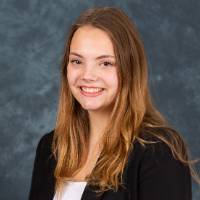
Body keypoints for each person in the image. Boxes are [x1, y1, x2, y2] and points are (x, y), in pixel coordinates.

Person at [28, 6, 197, 200]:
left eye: (106, 63)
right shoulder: (51, 148)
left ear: (129, 70)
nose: (87, 75)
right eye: (77, 61)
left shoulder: (158, 151)